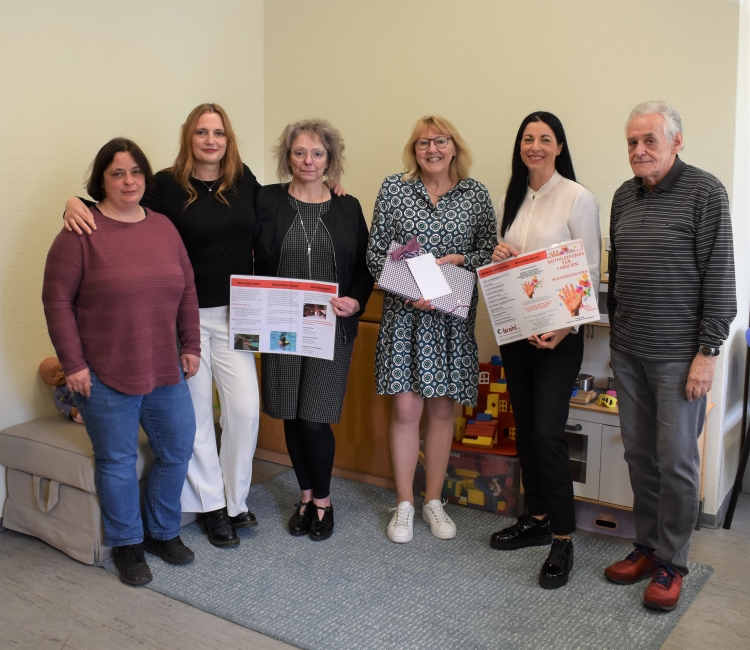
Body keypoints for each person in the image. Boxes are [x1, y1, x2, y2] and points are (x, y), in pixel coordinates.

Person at [63, 104, 261, 548]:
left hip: (237, 315)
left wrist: (329, 187)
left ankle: (236, 499)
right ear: (188, 137)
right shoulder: (166, 185)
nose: (210, 140)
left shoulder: (244, 179)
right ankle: (212, 507)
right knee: (194, 422)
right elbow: (116, 204)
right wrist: (72, 202)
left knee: (245, 410)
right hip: (181, 320)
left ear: (229, 140)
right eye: (201, 132)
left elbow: (282, 206)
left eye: (219, 133)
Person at [43, 138, 200, 586]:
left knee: (176, 450)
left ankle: (162, 532)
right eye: (117, 173)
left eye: (135, 172)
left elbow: (187, 288)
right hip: (103, 370)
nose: (128, 181)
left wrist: (191, 344)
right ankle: (128, 544)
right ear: (102, 180)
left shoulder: (165, 228)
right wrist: (72, 365)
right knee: (116, 460)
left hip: (165, 367)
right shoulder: (80, 232)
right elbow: (56, 301)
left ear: (145, 177)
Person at [604, 101, 736, 611]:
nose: (638, 151)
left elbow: (720, 279)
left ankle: (671, 562)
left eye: (649, 141)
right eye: (632, 142)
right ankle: (647, 544)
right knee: (639, 455)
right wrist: (617, 340)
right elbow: (618, 276)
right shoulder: (623, 196)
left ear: (676, 141)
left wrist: (707, 353)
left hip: (680, 358)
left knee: (677, 461)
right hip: (630, 351)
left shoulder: (705, 192)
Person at [367, 115, 497, 544]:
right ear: (414, 150)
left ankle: (433, 501)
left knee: (443, 411)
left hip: (450, 319)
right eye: (423, 143)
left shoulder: (475, 195)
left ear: (454, 147)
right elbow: (375, 252)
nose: (432, 149)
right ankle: (404, 502)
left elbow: (488, 251)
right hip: (405, 316)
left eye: (440, 141)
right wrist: (409, 290)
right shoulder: (394, 189)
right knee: (406, 410)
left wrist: (460, 260)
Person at [487, 112, 601, 589]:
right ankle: (536, 518)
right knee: (528, 431)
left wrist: (563, 328)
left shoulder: (578, 197)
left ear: (559, 146)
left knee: (549, 432)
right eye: (528, 139)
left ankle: (563, 537)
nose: (535, 146)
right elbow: (514, 265)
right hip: (516, 333)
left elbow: (588, 273)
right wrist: (499, 255)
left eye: (545, 139)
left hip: (558, 337)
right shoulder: (514, 196)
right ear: (520, 146)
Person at [254, 119, 373, 541]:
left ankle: (323, 501)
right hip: (279, 328)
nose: (308, 160)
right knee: (289, 412)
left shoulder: (348, 206)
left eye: (317, 153)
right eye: (300, 152)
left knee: (314, 419)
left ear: (330, 159)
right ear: (287, 158)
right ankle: (304, 497)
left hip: (330, 331)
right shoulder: (265, 201)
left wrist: (357, 301)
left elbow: (364, 267)